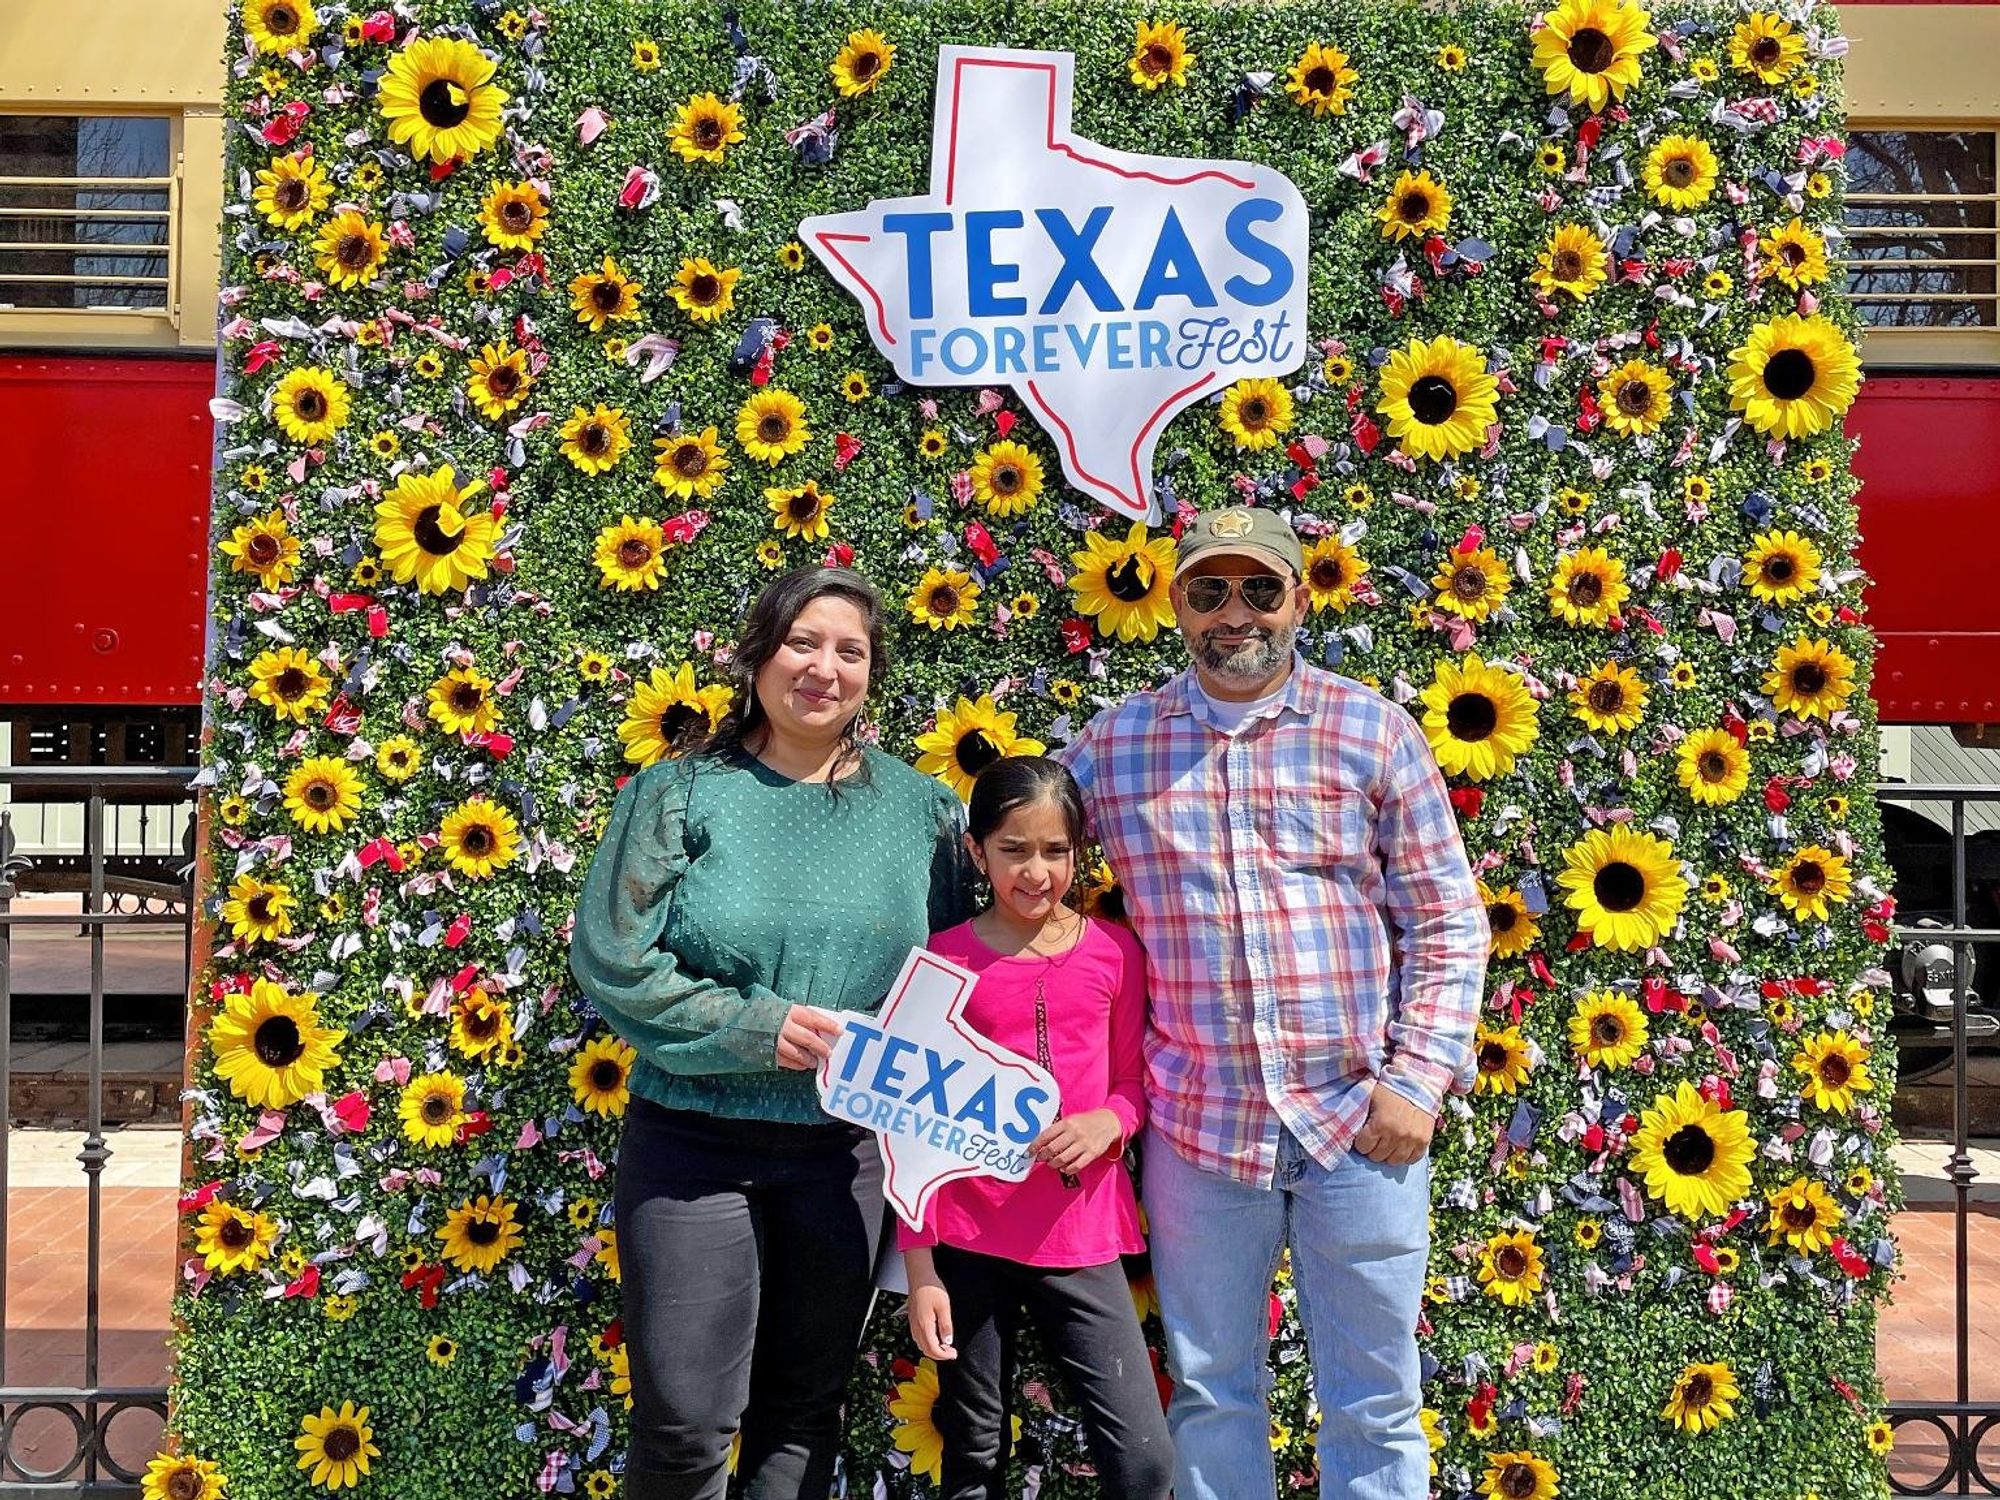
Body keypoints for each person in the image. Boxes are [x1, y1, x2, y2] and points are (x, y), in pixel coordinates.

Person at [1056, 507, 1488, 1500]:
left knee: (1375, 1400)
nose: (1233, 613)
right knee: (1209, 1390)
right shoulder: (1116, 746)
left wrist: (1416, 1081)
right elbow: (1016, 859)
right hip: (1200, 1134)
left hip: (1358, 1129)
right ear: (1174, 606)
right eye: (1208, 591)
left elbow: (1447, 923)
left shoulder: (1370, 730)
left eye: (1258, 588)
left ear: (1299, 597)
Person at [568, 567, 975, 1500]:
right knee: (684, 1422)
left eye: (850, 651)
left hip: (845, 1158)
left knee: (803, 1411)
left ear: (872, 674)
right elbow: (613, 960)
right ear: (759, 652)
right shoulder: (678, 795)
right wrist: (756, 1025)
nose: (823, 668)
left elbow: (943, 990)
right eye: (803, 642)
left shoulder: (922, 812)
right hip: (694, 1143)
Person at [901, 756, 1173, 1500]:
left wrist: (1106, 1124)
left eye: (1055, 851)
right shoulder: (942, 960)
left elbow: (1132, 1083)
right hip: (967, 1235)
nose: (1035, 871)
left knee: (1145, 1459)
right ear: (976, 852)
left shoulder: (1115, 953)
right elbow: (909, 1125)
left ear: (1080, 852)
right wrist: (921, 1270)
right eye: (1014, 849)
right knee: (973, 1446)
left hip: (1078, 1231)